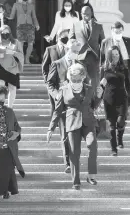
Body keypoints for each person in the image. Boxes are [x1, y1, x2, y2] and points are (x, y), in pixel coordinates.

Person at [47, 63, 103, 190]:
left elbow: (93, 105)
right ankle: (76, 181)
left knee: (92, 145)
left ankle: (91, 175)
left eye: (78, 79)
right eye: (73, 79)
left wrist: (99, 96)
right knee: (74, 152)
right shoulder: (63, 90)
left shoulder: (89, 88)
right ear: (69, 78)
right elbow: (57, 111)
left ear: (83, 78)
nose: (76, 82)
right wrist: (51, 128)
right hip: (72, 123)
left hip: (88, 122)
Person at [46, 39, 82, 173]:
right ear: (68, 49)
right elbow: (50, 83)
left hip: (76, 105)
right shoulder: (57, 64)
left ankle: (74, 158)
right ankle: (68, 162)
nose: (76, 54)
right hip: (62, 104)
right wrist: (57, 95)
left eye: (78, 52)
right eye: (74, 51)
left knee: (75, 134)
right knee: (65, 134)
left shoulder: (79, 64)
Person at [100, 46, 130, 156]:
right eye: (113, 55)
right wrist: (100, 87)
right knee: (111, 126)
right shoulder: (104, 69)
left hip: (122, 98)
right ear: (109, 56)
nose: (115, 56)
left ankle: (120, 139)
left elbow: (128, 85)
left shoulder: (124, 69)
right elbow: (101, 85)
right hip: (109, 99)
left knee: (121, 121)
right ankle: (113, 149)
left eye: (117, 54)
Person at [69, 6, 105, 92]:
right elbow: (71, 39)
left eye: (88, 14)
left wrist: (103, 60)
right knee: (81, 80)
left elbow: (103, 43)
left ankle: (94, 102)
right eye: (84, 14)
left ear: (91, 14)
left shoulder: (98, 26)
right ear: (81, 14)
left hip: (94, 58)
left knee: (94, 82)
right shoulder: (75, 25)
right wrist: (74, 56)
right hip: (80, 58)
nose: (86, 15)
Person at [0, 25, 24, 107]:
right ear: (0, 33)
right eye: (3, 32)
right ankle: (0, 106)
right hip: (0, 67)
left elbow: (21, 55)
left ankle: (10, 108)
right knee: (1, 88)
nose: (5, 34)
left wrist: (13, 53)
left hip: (13, 67)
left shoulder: (16, 42)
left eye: (7, 32)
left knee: (12, 88)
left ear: (10, 33)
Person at [42, 28, 70, 115]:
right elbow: (45, 66)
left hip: (66, 82)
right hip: (53, 82)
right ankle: (54, 126)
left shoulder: (70, 49)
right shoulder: (50, 49)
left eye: (67, 36)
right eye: (63, 36)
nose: (65, 38)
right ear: (58, 37)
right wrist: (47, 80)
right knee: (54, 106)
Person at [8, 0, 40, 64]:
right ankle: (21, 59)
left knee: (30, 43)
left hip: (30, 26)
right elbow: (11, 16)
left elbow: (34, 16)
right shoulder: (16, 5)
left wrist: (37, 24)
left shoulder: (31, 5)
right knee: (20, 44)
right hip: (20, 26)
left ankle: (27, 58)